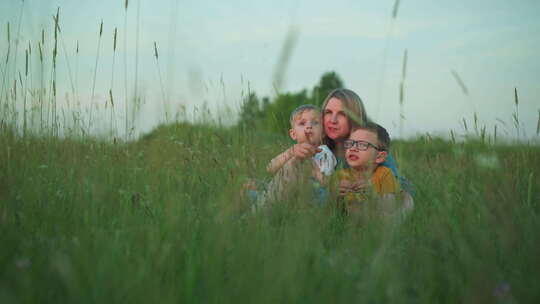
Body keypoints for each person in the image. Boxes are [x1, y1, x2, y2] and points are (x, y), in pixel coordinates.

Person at [249, 104, 336, 209]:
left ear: (322, 133)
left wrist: (312, 168)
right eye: (302, 123)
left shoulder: (324, 153)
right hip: (283, 191)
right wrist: (290, 153)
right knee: (246, 185)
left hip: (309, 196)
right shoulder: (292, 152)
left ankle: (259, 209)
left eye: (315, 122)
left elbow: (325, 183)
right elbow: (270, 168)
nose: (309, 126)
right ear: (293, 134)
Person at [330, 123, 400, 215]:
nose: (353, 148)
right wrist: (336, 195)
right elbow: (329, 209)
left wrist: (373, 194)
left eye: (362, 145)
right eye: (350, 143)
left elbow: (391, 207)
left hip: (375, 221)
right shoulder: (339, 176)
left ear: (379, 157)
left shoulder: (384, 174)